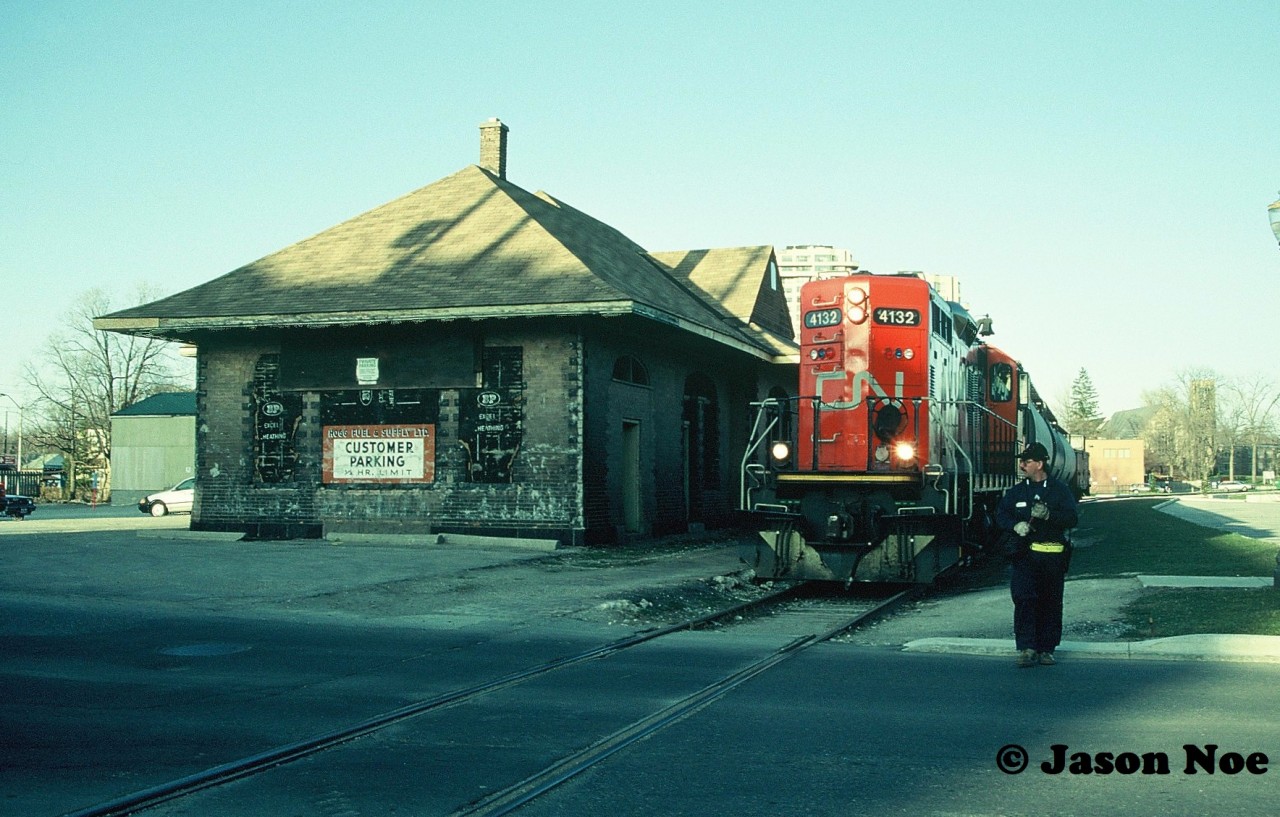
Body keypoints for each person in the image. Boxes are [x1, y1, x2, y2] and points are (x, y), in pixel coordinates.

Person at [996, 441, 1079, 668]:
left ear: (1039, 464)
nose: (1022, 465)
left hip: (1052, 558)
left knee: (1050, 602)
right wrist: (1015, 526)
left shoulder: (1060, 491)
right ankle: (1026, 648)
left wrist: (1049, 515)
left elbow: (1072, 518)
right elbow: (1001, 515)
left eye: (1027, 461)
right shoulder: (1017, 492)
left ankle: (1046, 650)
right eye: (1022, 461)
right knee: (1023, 599)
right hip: (1024, 558)